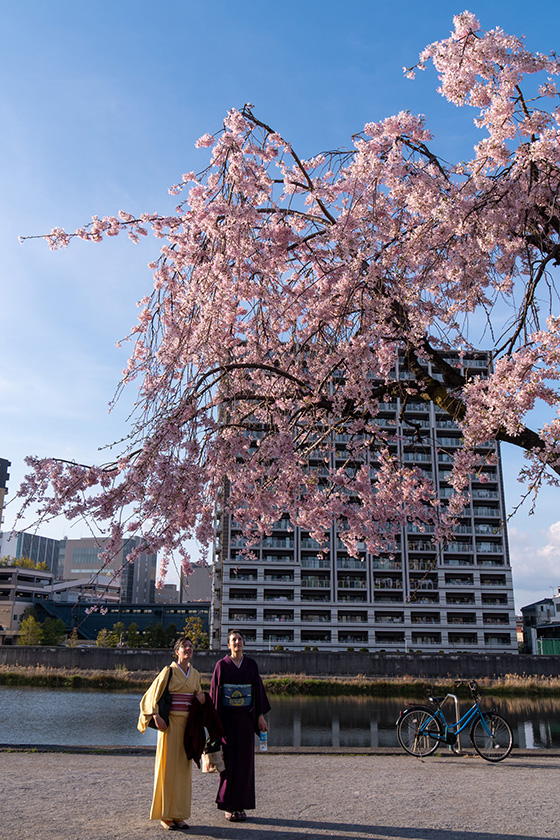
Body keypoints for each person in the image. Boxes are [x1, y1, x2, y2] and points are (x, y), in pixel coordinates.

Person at [138, 636, 205, 831]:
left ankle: (179, 815)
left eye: (191, 647)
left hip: (187, 727)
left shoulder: (196, 675)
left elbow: (198, 700)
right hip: (170, 725)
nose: (188, 649)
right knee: (167, 769)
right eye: (184, 646)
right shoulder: (168, 672)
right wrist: (156, 715)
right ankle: (166, 815)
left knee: (184, 771)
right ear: (176, 652)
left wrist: (202, 700)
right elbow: (150, 696)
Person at [210, 629, 271, 822]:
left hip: (245, 720)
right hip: (227, 720)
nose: (237, 643)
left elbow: (257, 691)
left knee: (245, 764)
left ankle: (241, 805)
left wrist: (260, 716)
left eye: (240, 640)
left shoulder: (251, 665)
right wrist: (215, 726)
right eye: (233, 640)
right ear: (228, 645)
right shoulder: (221, 665)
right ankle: (229, 805)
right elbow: (215, 696)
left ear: (244, 644)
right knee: (228, 764)